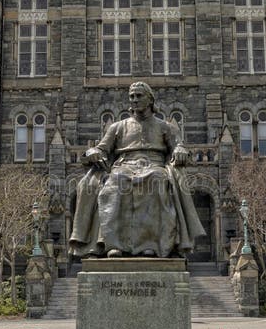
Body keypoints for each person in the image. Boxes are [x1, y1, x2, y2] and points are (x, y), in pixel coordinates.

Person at [69, 82, 205, 258]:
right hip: (124, 165)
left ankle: (150, 245)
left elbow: (179, 147)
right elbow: (102, 148)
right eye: (132, 96)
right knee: (114, 183)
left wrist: (180, 150)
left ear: (150, 99)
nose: (134, 100)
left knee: (156, 181)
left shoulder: (165, 126)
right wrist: (92, 151)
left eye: (139, 96)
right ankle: (113, 245)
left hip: (154, 164)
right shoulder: (117, 127)